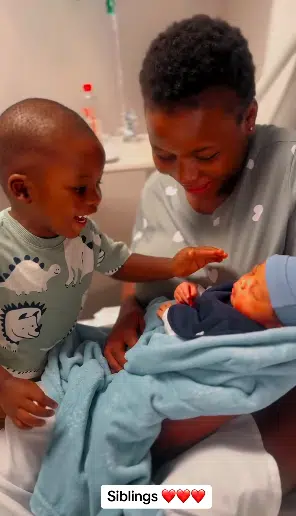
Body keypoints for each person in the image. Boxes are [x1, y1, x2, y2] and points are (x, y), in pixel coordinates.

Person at [103, 13, 296, 511]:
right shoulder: (159, 190)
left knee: (189, 501)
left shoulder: (288, 174)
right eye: (164, 154)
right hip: (162, 381)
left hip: (262, 399)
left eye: (205, 155)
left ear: (248, 119)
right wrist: (128, 315)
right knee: (69, 443)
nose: (185, 176)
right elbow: (144, 270)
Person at [0, 97, 228, 431]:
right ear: (23, 190)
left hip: (54, 365)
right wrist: (4, 386)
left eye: (97, 184)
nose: (95, 200)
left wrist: (174, 266)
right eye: (80, 188)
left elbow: (120, 264)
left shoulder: (81, 235)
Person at [157, 254, 294, 338]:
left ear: (275, 327)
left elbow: (190, 330)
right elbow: (213, 298)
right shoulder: (238, 298)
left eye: (254, 293)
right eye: (252, 273)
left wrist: (170, 314)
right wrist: (193, 293)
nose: (243, 282)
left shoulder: (233, 327)